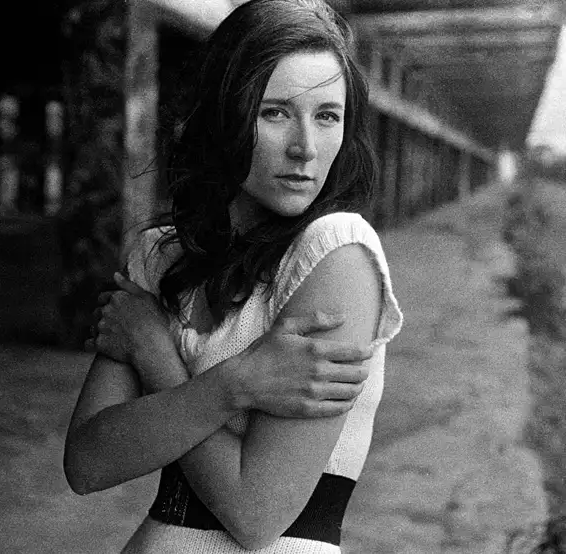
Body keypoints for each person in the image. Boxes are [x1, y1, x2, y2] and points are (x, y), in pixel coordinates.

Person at [64, 0, 403, 552]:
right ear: (223, 115)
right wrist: (234, 383)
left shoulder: (337, 251)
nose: (305, 148)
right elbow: (86, 463)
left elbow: (256, 513)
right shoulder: (160, 258)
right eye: (275, 113)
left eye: (327, 116)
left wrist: (159, 355)